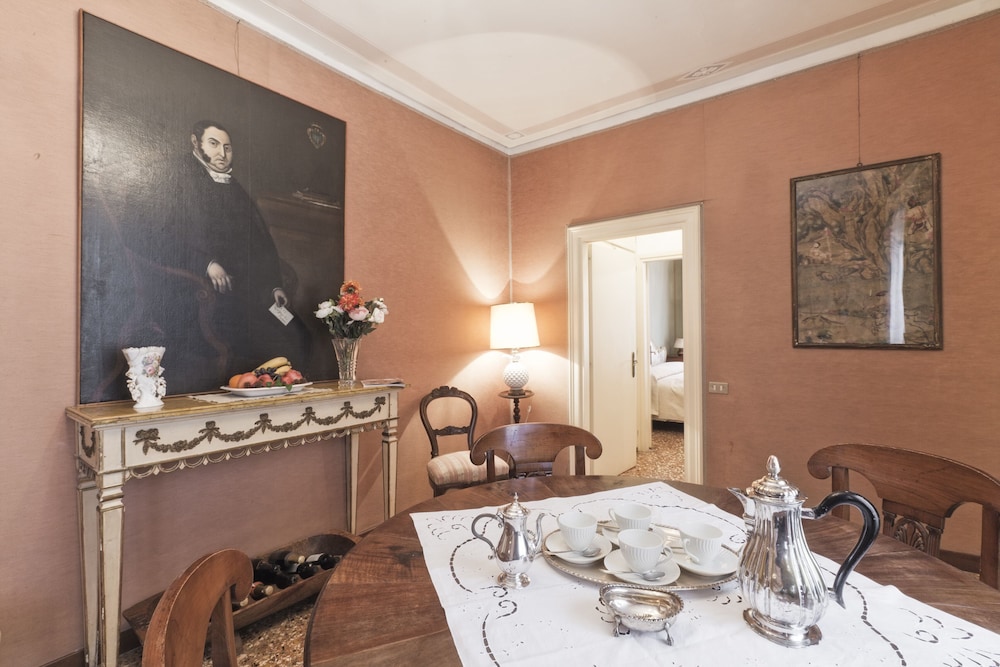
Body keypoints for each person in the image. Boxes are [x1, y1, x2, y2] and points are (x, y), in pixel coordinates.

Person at [125, 120, 301, 390]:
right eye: (214, 144)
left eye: (227, 147)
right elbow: (152, 237)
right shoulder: (174, 177)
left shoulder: (232, 185)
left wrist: (274, 284)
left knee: (297, 333)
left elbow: (260, 242)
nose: (222, 153)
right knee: (269, 342)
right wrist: (205, 264)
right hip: (199, 293)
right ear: (195, 143)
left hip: (249, 290)